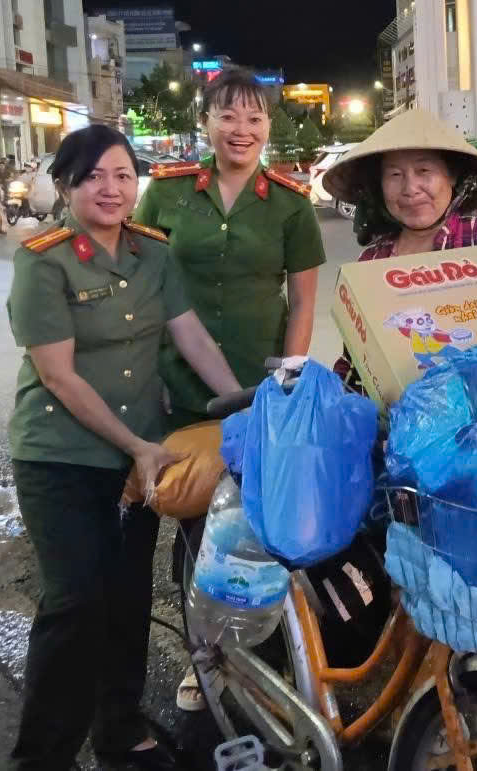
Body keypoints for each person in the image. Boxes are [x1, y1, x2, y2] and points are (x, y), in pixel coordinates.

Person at [6, 124, 242, 769]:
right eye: (93, 177)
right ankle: (42, 756)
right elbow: (58, 375)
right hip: (60, 455)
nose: (111, 190)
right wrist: (137, 445)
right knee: (75, 601)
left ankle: (118, 729)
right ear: (65, 186)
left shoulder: (152, 253)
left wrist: (244, 403)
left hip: (141, 456)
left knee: (128, 594)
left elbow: (190, 336)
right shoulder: (43, 261)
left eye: (122, 176)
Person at [132, 67, 325, 711]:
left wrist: (288, 377)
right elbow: (141, 287)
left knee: (260, 526)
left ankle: (267, 658)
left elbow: (303, 302)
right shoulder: (166, 194)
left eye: (255, 118)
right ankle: (206, 660)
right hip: (179, 385)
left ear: (269, 127)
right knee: (195, 525)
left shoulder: (291, 205)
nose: (242, 129)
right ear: (206, 123)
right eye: (228, 116)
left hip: (257, 388)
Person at [322, 107, 477, 344]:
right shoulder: (370, 262)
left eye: (424, 171)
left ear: (452, 175)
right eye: (395, 175)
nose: (410, 189)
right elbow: (357, 355)